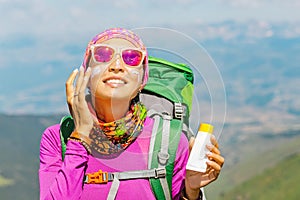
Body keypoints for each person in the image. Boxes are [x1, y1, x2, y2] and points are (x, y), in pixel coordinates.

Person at [39, 27, 224, 200]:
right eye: (102, 55)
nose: (117, 66)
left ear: (142, 81)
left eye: (131, 58)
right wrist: (80, 136)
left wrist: (191, 192)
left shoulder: (170, 141)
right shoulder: (58, 139)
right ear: (85, 73)